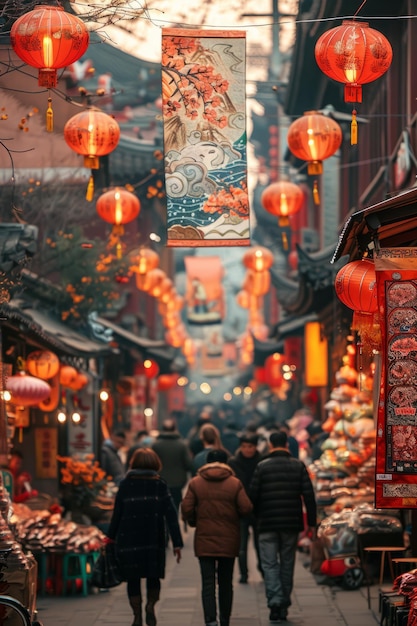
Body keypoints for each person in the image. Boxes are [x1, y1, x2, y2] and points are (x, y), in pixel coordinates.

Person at [107, 447, 183, 626]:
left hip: (129, 539)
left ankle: (137, 614)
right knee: (153, 575)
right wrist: (177, 543)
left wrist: (110, 537)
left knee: (133, 578)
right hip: (153, 539)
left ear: (133, 464)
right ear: (155, 464)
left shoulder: (125, 484)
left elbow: (117, 513)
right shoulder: (159, 484)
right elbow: (171, 515)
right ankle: (151, 605)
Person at [249, 431, 317, 623]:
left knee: (269, 564)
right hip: (290, 523)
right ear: (286, 444)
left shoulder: (262, 467)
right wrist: (311, 524)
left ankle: (275, 602)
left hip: (267, 523)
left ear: (271, 445)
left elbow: (252, 496)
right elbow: (309, 496)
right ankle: (284, 603)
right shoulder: (298, 466)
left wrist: (255, 518)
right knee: (287, 563)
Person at [181, 449, 253, 626]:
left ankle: (210, 620)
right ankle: (225, 620)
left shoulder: (196, 483)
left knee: (207, 583)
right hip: (229, 539)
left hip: (204, 539)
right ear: (226, 463)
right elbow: (246, 508)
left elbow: (186, 508)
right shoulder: (234, 483)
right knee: (226, 583)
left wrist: (193, 521)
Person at [228, 433, 263, 583]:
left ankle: (263, 570)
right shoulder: (233, 462)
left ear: (255, 447)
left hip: (259, 509)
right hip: (240, 510)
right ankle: (243, 573)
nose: (247, 450)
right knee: (241, 546)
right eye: (244, 447)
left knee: (260, 544)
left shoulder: (262, 462)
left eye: (250, 447)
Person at [151, 418, 193, 513]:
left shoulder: (156, 445)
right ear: (175, 429)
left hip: (160, 480)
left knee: (161, 508)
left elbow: (151, 463)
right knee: (174, 508)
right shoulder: (182, 445)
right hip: (178, 482)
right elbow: (188, 464)